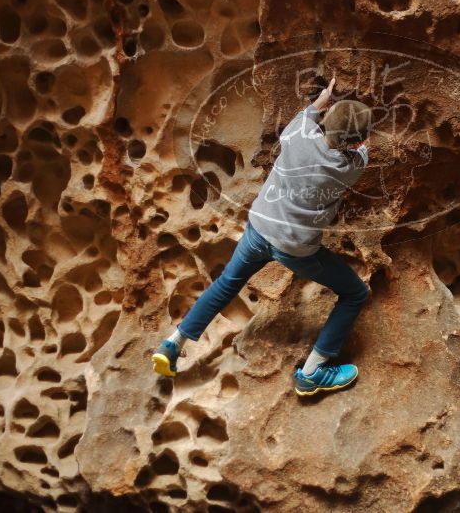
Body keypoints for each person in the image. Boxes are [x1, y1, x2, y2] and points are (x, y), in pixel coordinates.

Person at [152, 77, 373, 396]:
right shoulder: (349, 167)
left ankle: (174, 343)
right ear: (356, 143)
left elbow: (309, 114)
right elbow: (361, 151)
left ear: (326, 123)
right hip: (295, 249)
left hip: (258, 229)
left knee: (227, 283)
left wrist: (322, 99)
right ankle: (311, 373)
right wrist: (360, 140)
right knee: (354, 293)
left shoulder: (297, 135)